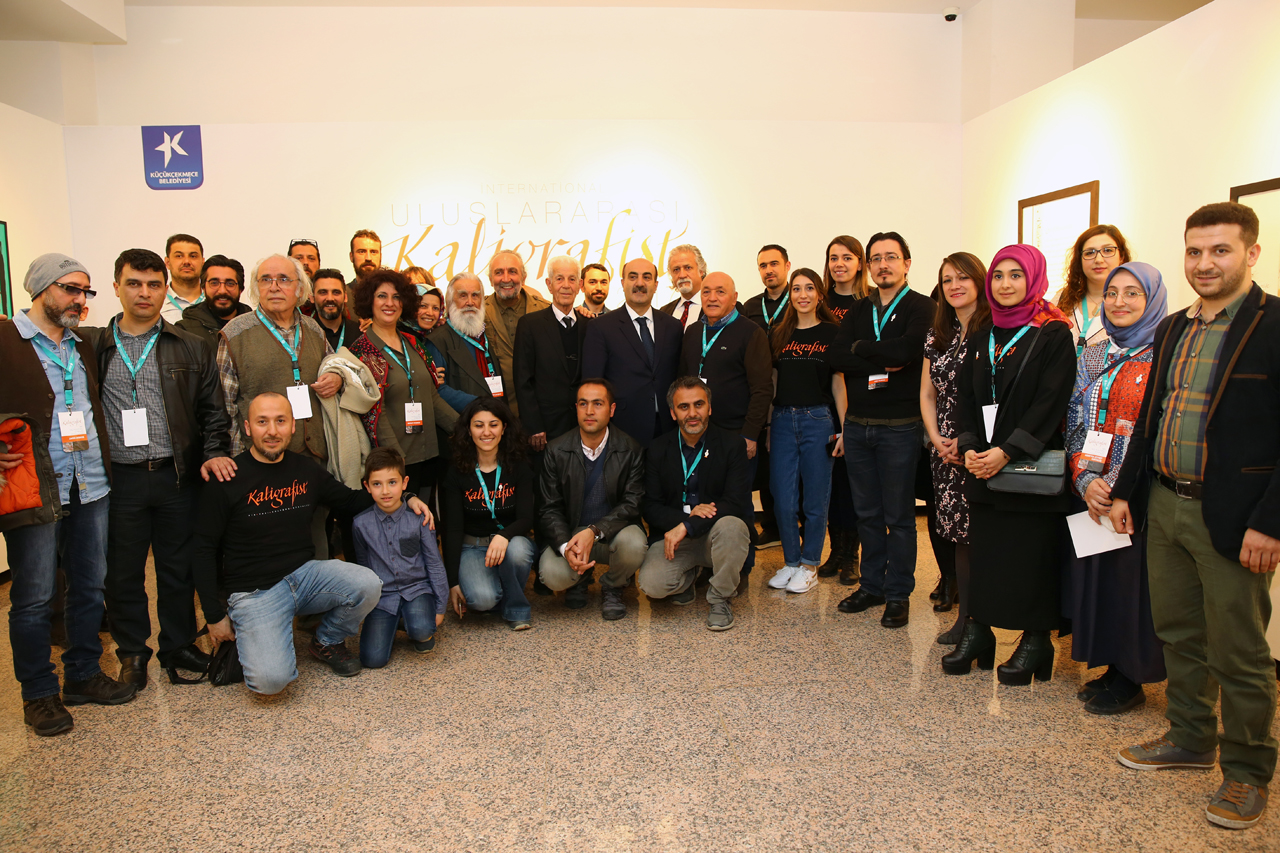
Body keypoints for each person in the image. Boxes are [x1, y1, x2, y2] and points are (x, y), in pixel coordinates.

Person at [1110, 202, 1277, 831]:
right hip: (1163, 502)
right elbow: (1152, 415)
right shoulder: (1175, 327)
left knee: (1239, 650)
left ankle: (1247, 771)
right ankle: (1189, 737)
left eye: (1220, 250)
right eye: (1194, 251)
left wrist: (1271, 522)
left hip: (1235, 516)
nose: (1205, 263)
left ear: (1251, 253)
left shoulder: (1273, 324)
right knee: (1179, 632)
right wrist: (1126, 491)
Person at [192, 393, 433, 694]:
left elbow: (351, 501)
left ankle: (326, 640)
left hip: (304, 577)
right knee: (271, 682)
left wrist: (405, 498)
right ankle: (258, 635)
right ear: (247, 427)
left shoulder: (305, 470)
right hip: (255, 593)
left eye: (281, 421)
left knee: (368, 584)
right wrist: (214, 616)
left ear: (293, 426)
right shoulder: (227, 477)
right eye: (262, 422)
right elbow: (202, 550)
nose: (272, 431)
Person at [81, 248, 236, 688]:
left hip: (176, 475)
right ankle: (133, 652)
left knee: (177, 568)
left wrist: (213, 453)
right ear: (117, 287)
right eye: (134, 283)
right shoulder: (92, 346)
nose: (144, 293)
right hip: (120, 478)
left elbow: (213, 413)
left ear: (165, 289)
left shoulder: (191, 345)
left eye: (153, 284)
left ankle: (178, 645)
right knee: (124, 572)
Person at [0, 253, 137, 736]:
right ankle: (39, 694)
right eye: (70, 289)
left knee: (89, 586)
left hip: (91, 483)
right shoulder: (5, 339)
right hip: (37, 486)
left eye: (85, 291)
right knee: (35, 597)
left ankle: (83, 674)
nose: (80, 299)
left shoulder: (82, 345)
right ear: (41, 289)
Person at [947, 244, 1075, 683]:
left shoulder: (1053, 334)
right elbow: (966, 396)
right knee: (986, 555)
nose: (1005, 284)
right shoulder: (983, 333)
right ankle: (979, 632)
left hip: (1027, 466)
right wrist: (969, 446)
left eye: (1016, 275)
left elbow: (1050, 402)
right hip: (982, 465)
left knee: (1030, 557)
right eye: (998, 276)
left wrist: (1007, 451)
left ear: (1033, 279)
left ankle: (1036, 641)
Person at [1061, 262, 1168, 714]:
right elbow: (1074, 420)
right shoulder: (1093, 354)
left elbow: (1154, 432)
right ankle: (1110, 666)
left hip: (1136, 494)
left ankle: (1132, 676)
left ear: (1153, 299)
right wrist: (1086, 480)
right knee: (1098, 580)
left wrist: (1118, 487)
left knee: (1131, 586)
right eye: (1111, 293)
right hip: (1092, 489)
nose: (1119, 302)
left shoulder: (1166, 355)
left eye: (1132, 293)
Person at [831, 232, 934, 628]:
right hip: (858, 426)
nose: (883, 265)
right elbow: (837, 356)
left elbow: (907, 351)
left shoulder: (922, 307)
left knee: (899, 517)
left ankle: (898, 594)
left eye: (891, 257)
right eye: (876, 258)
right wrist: (876, 355)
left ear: (906, 263)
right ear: (869, 266)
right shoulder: (859, 309)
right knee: (867, 514)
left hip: (900, 428)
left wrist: (861, 349)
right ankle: (872, 586)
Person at [638, 377, 751, 631]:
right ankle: (690, 576)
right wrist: (684, 522)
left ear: (709, 407)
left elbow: (735, 502)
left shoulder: (732, 445)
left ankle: (720, 598)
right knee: (652, 585)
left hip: (715, 534)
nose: (692, 413)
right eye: (683, 407)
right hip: (676, 538)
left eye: (699, 404)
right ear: (672, 412)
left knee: (733, 527)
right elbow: (651, 507)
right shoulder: (658, 449)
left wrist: (690, 525)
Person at [678, 271, 771, 579]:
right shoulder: (693, 332)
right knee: (703, 498)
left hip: (735, 436)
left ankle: (742, 567)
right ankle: (708, 564)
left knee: (738, 503)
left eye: (720, 292)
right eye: (707, 292)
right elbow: (682, 381)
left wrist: (750, 434)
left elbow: (762, 389)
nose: (712, 297)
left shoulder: (750, 332)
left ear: (734, 298)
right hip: (698, 433)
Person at [921, 252, 990, 644]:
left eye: (962, 277)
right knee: (958, 535)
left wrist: (966, 442)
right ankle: (966, 620)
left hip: (980, 448)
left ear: (979, 280)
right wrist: (935, 438)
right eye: (947, 280)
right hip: (943, 449)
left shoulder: (994, 331)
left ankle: (984, 618)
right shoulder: (938, 335)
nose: (954, 286)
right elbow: (927, 393)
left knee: (981, 535)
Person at [765, 269, 846, 595]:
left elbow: (839, 383)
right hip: (782, 421)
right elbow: (772, 383)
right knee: (783, 499)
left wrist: (845, 429)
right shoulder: (779, 333)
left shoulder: (832, 332)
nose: (802, 294)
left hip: (818, 420)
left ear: (819, 295)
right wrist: (768, 425)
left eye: (809, 288)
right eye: (796, 289)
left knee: (815, 499)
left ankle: (810, 564)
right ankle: (791, 561)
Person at [537, 379, 648, 619]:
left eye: (598, 404)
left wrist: (595, 531)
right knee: (551, 575)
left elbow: (632, 503)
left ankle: (614, 584)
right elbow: (549, 508)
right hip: (572, 533)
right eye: (583, 404)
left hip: (613, 533)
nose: (589, 411)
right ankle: (580, 577)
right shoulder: (556, 450)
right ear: (576, 408)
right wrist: (565, 547)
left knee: (635, 546)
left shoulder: (630, 449)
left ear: (611, 409)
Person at [348, 269, 457, 500]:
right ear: (369, 301)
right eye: (382, 296)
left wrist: (464, 429)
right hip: (395, 464)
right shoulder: (361, 351)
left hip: (429, 453)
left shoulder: (414, 343)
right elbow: (374, 412)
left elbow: (432, 397)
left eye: (396, 297)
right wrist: (396, 460)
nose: (390, 303)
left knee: (426, 516)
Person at [439, 398, 537, 630]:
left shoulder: (518, 465)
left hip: (510, 543)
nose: (486, 432)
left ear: (504, 428)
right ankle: (501, 589)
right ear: (468, 430)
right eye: (478, 425)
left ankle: (516, 608)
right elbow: (452, 529)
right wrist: (453, 582)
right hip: (473, 547)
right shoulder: (456, 471)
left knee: (519, 550)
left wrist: (504, 536)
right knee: (481, 601)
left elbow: (526, 518)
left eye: (493, 425)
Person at [352, 447, 448, 668]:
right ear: (367, 486)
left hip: (417, 589)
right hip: (383, 596)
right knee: (372, 660)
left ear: (405, 483)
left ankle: (415, 622)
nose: (385, 491)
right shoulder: (360, 524)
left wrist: (440, 607)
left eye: (392, 482)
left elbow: (434, 563)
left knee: (422, 630)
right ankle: (396, 621)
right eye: (377, 484)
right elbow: (363, 566)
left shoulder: (419, 519)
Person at [582, 258, 682, 447]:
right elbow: (593, 383)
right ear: (623, 283)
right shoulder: (601, 327)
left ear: (655, 285)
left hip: (668, 429)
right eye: (633, 277)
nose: (639, 283)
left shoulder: (673, 326)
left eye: (647, 277)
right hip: (622, 430)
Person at [820, 236, 868, 584]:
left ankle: (852, 555)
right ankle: (835, 550)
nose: (839, 264)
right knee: (832, 484)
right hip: (825, 401)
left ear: (860, 263)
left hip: (862, 400)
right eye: (833, 258)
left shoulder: (869, 302)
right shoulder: (819, 300)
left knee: (856, 485)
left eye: (847, 257)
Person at [515, 255, 591, 452]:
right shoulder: (530, 325)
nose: (566, 285)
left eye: (572, 279)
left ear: (579, 285)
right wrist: (533, 426)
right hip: (545, 430)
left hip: (584, 426)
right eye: (559, 279)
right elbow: (523, 380)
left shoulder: (590, 325)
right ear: (549, 285)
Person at [743, 244, 792, 545]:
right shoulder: (749, 307)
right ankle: (771, 526)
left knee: (787, 464)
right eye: (763, 265)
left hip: (792, 390)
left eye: (774, 264)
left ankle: (793, 528)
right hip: (762, 393)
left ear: (787, 266)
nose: (769, 270)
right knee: (764, 463)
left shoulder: (798, 300)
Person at [484, 250, 551, 412]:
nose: (506, 279)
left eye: (512, 272)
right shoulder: (478, 313)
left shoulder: (546, 311)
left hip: (540, 407)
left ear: (523, 277)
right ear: (490, 279)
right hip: (496, 409)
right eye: (499, 272)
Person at [429, 271, 507, 404]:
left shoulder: (486, 334)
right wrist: (479, 406)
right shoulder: (437, 340)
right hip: (462, 416)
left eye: (475, 295)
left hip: (494, 412)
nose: (470, 302)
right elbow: (438, 391)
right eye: (463, 295)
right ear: (450, 301)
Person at [1055, 225, 1132, 355]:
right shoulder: (1062, 297)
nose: (1098, 260)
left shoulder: (1132, 302)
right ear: (1080, 260)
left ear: (1121, 256)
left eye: (1107, 250)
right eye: (1089, 253)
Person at [177, 255, 251, 348]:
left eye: (230, 283)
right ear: (203, 287)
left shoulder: (255, 328)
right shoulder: (184, 331)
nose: (222, 290)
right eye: (214, 283)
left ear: (240, 289)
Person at [312, 268, 361, 353]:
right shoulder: (304, 333)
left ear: (345, 297)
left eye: (336, 292)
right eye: (323, 292)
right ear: (312, 297)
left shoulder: (359, 334)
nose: (330, 298)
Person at [160, 233, 205, 323]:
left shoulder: (215, 300)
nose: (186, 261)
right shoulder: (157, 302)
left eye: (193, 256)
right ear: (167, 263)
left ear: (202, 263)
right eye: (179, 256)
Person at [661, 244, 706, 329]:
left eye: (688, 268)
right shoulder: (664, 312)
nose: (682, 275)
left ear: (701, 270)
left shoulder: (716, 306)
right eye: (676, 269)